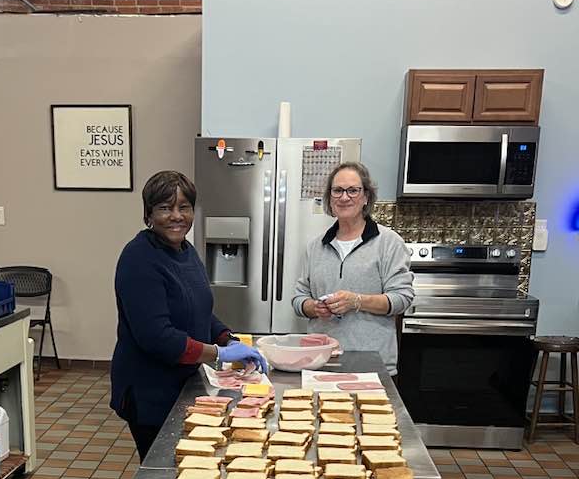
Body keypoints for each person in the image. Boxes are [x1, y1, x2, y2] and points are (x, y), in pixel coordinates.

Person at [110, 170, 267, 460]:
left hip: (183, 383)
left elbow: (199, 309)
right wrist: (218, 353)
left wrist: (228, 338)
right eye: (165, 208)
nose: (176, 216)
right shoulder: (138, 258)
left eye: (184, 207)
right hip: (150, 392)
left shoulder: (185, 250)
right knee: (165, 469)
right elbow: (157, 337)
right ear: (148, 214)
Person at [292, 162, 414, 376]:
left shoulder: (389, 242)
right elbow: (299, 299)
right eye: (337, 190)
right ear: (330, 197)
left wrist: (357, 301)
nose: (344, 197)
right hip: (322, 362)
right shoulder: (316, 246)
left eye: (353, 190)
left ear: (366, 197)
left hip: (372, 365)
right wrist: (313, 307)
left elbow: (402, 299)